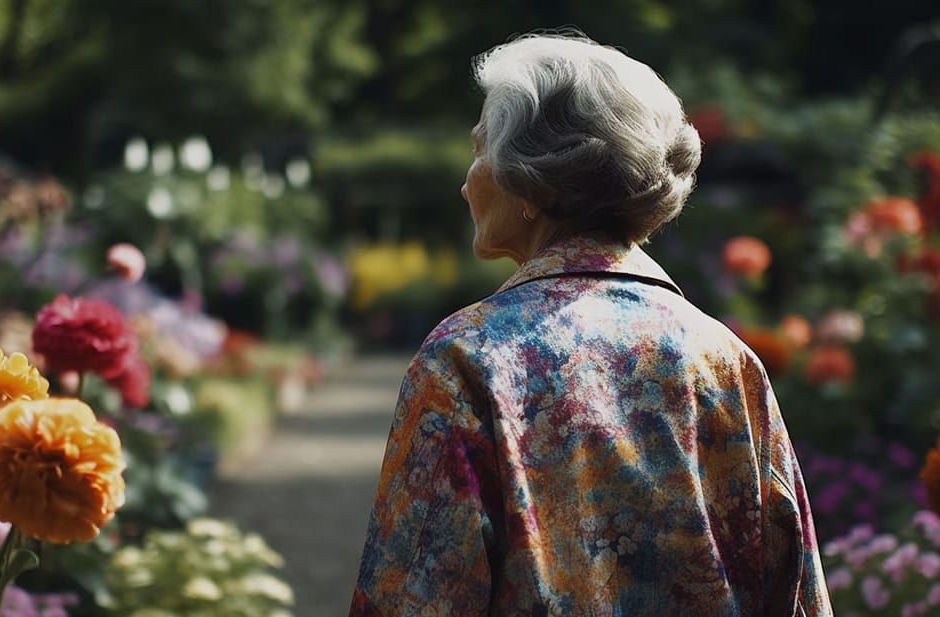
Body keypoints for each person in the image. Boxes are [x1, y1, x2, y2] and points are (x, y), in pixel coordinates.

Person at [349, 31, 832, 616]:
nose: (466, 181)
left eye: (479, 151)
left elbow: (412, 597)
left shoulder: (467, 357)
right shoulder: (723, 359)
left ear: (531, 180)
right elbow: (798, 594)